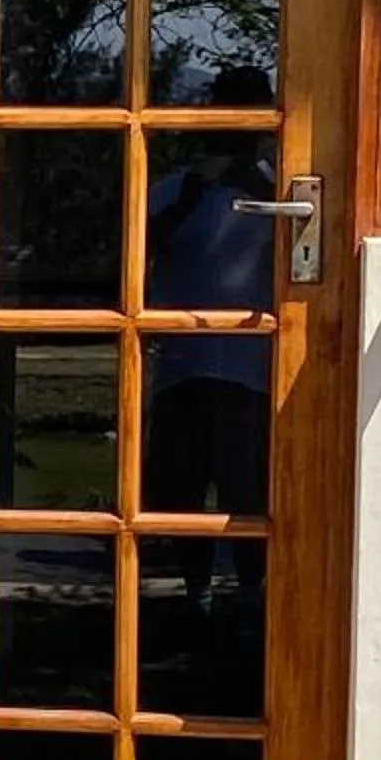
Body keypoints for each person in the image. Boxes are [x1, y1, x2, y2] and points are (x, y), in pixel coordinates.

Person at [142, 66, 275, 622]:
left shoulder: (283, 192)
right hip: (183, 364)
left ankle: (251, 592)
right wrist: (195, 194)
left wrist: (261, 187)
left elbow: (313, 251)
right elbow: (140, 251)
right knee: (182, 487)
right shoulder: (174, 189)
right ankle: (195, 592)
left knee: (248, 488)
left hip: (252, 367)